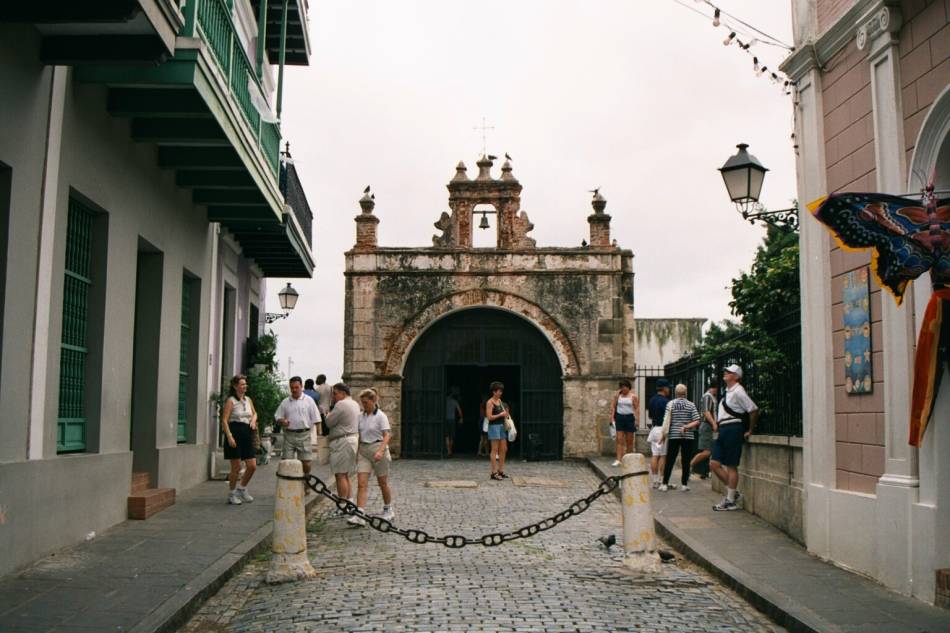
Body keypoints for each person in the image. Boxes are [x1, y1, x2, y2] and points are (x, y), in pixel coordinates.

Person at [710, 364, 759, 511]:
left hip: (733, 428)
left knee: (731, 465)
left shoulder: (738, 391)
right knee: (714, 464)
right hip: (723, 429)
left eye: (729, 371)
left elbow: (753, 409)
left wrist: (750, 429)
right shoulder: (728, 391)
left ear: (736, 377)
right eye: (725, 370)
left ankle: (730, 500)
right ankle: (733, 492)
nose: (725, 372)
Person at [349, 389, 395, 527]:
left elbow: (387, 435)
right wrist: (357, 454)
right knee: (361, 483)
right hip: (364, 450)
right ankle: (360, 514)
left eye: (366, 402)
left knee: (383, 482)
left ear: (374, 401)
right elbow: (359, 436)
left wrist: (380, 451)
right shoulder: (360, 416)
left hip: (378, 449)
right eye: (362, 403)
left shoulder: (381, 416)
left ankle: (388, 509)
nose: (364, 405)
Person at [221, 374, 258, 505]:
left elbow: (254, 413)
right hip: (235, 433)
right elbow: (224, 420)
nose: (245, 386)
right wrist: (229, 436)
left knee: (252, 466)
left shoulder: (248, 400)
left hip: (247, 433)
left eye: (245, 384)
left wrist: (253, 420)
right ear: (235, 386)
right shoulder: (231, 400)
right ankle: (231, 494)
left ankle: (241, 488)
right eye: (242, 384)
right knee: (236, 468)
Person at [274, 376, 322, 474]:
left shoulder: (309, 400)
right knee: (286, 462)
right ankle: (289, 484)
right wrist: (282, 421)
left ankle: (306, 480)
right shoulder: (285, 402)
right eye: (292, 388)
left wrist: (319, 435)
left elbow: (317, 419)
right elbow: (277, 417)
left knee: (306, 462)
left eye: (296, 387)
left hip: (304, 435)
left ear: (301, 386)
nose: (294, 390)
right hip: (289, 435)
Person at [324, 382, 361, 511]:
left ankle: (343, 505)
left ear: (343, 393)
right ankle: (349, 501)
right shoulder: (355, 404)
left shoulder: (341, 404)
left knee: (340, 475)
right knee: (344, 474)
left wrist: (327, 415)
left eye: (335, 393)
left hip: (342, 441)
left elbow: (329, 423)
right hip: (351, 439)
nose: (334, 396)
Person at [659, 384, 701, 491]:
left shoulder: (670, 404)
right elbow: (697, 420)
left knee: (670, 459)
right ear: (685, 393)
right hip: (688, 436)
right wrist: (686, 426)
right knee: (686, 460)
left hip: (673, 435)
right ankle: (684, 484)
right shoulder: (691, 405)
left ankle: (664, 483)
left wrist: (663, 435)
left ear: (675, 393)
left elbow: (666, 421)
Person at [690, 383, 718, 478]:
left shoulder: (711, 397)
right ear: (714, 388)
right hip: (707, 426)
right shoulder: (708, 396)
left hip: (709, 426)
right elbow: (706, 412)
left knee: (711, 451)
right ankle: (689, 465)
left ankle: (706, 472)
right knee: (707, 452)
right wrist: (714, 423)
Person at [646, 379, 671, 485]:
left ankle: (655, 479)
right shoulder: (666, 401)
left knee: (655, 455)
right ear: (664, 388)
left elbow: (650, 416)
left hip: (654, 428)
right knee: (663, 455)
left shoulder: (651, 400)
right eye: (668, 387)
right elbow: (669, 418)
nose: (669, 389)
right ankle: (661, 479)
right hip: (663, 429)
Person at [610, 379, 639, 467]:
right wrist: (612, 418)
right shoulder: (618, 396)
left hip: (629, 418)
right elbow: (613, 406)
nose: (624, 389)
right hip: (620, 417)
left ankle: (628, 459)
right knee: (619, 439)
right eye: (622, 387)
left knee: (629, 440)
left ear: (628, 387)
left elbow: (637, 408)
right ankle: (619, 459)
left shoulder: (633, 397)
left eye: (625, 387)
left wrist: (637, 420)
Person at [485, 381, 510, 480]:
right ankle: (494, 472)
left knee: (503, 449)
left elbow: (505, 413)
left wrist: (506, 414)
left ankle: (501, 471)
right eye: (499, 391)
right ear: (494, 392)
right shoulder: (489, 402)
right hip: (494, 427)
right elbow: (489, 417)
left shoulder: (500, 401)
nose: (501, 393)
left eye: (501, 391)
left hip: (501, 426)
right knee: (494, 450)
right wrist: (500, 415)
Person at [444, 388, 463, 457]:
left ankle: (448, 451)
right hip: (452, 420)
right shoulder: (454, 401)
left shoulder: (444, 401)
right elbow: (459, 411)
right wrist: (461, 418)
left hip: (445, 420)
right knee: (451, 436)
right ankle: (450, 451)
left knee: (446, 436)